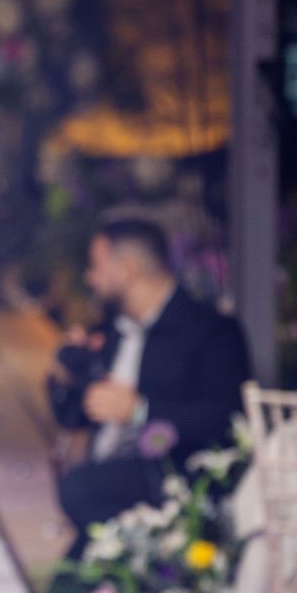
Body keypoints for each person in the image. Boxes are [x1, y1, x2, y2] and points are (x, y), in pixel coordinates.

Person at [47, 218, 253, 560]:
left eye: (96, 266)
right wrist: (65, 375)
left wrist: (140, 411)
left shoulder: (211, 332)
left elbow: (225, 420)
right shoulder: (111, 330)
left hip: (169, 486)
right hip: (105, 491)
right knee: (62, 581)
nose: (90, 277)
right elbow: (72, 417)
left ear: (126, 269)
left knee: (79, 489)